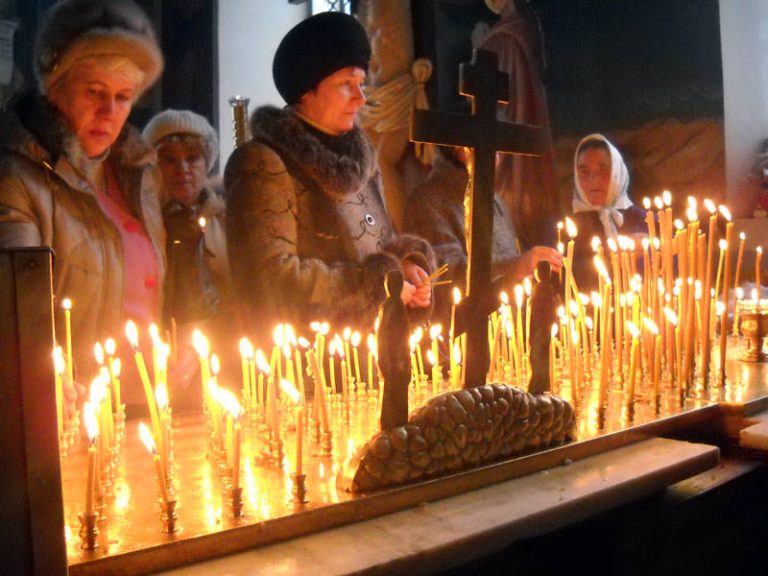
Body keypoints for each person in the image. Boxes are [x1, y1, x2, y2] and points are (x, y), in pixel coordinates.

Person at [225, 12, 435, 345]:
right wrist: (378, 286)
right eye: (346, 85)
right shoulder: (263, 163)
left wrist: (406, 268)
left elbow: (378, 243)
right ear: (306, 91)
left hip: (371, 353)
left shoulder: (361, 162)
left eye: (361, 84)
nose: (361, 98)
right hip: (306, 362)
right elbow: (269, 281)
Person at [0, 0, 165, 409]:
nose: (109, 112)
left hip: (146, 406)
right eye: (94, 92)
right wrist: (44, 378)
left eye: (123, 97)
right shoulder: (17, 180)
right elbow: (17, 314)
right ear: (54, 87)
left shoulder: (139, 177)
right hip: (73, 416)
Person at [405, 145, 562, 327]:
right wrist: (517, 268)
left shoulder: (496, 201)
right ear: (458, 147)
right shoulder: (427, 202)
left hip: (507, 334)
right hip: (462, 335)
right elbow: (447, 280)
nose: (497, 152)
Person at [143, 109, 237, 397]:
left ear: (206, 162)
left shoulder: (229, 217)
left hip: (226, 352)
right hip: (165, 359)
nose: (182, 168)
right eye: (169, 159)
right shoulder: (144, 224)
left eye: (192, 158)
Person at [568, 133, 647, 289]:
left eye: (603, 170)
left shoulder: (645, 220)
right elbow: (564, 280)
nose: (594, 179)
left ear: (618, 173)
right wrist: (610, 256)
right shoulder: (566, 230)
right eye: (584, 172)